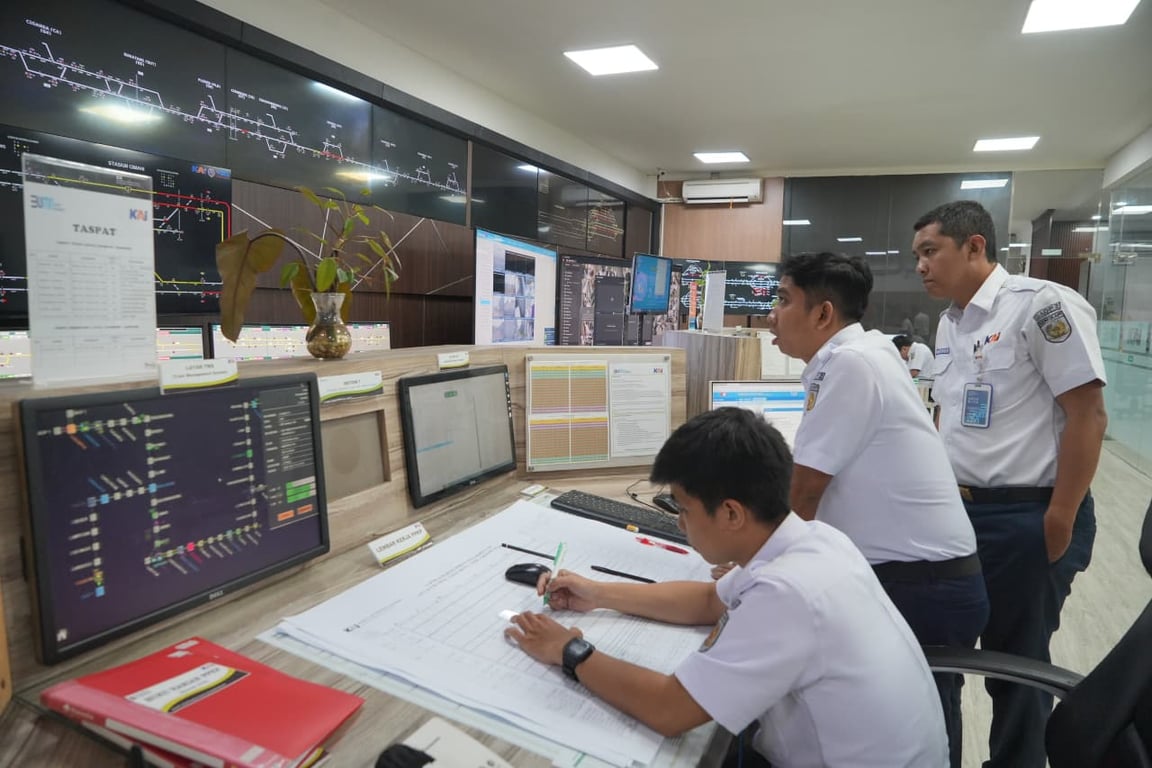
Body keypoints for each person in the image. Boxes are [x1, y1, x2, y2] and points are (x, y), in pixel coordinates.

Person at [505, 408, 947, 767]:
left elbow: (669, 710)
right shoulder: (814, 539)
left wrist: (568, 651)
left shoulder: (788, 593)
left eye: (684, 509)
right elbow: (706, 600)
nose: (680, 523)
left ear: (732, 513)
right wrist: (598, 593)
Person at [765, 251, 987, 768]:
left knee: (915, 729)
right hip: (919, 577)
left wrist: (750, 563)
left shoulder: (852, 363)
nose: (771, 315)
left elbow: (804, 494)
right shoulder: (857, 355)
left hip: (922, 585)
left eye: (783, 300)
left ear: (823, 314)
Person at [912, 200, 1108, 768]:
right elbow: (953, 417)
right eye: (917, 254)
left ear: (974, 246)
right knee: (940, 657)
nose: (921, 266)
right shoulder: (950, 323)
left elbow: (1088, 416)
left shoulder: (1041, 306)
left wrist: (1060, 519)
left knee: (1016, 666)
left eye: (931, 251)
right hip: (958, 514)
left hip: (1028, 514)